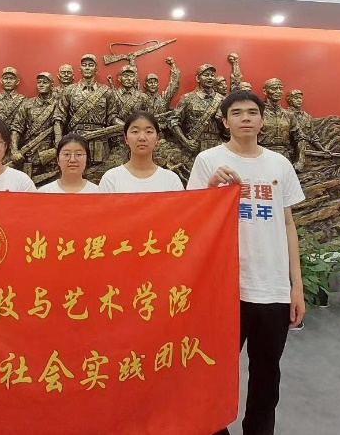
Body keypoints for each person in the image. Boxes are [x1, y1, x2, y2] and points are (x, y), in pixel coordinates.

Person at [187, 89, 305, 435]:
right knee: (213, 370)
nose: (245, 118)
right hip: (224, 289)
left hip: (272, 288)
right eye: (236, 113)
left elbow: (288, 224)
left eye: (252, 112)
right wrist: (212, 187)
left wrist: (296, 287)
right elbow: (193, 220)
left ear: (262, 120)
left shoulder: (279, 164)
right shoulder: (208, 161)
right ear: (225, 122)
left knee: (267, 376)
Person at [98, 111, 184, 193]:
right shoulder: (111, 179)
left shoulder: (171, 180)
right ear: (126, 138)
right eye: (135, 132)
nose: (142, 138)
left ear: (157, 138)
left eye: (149, 132)